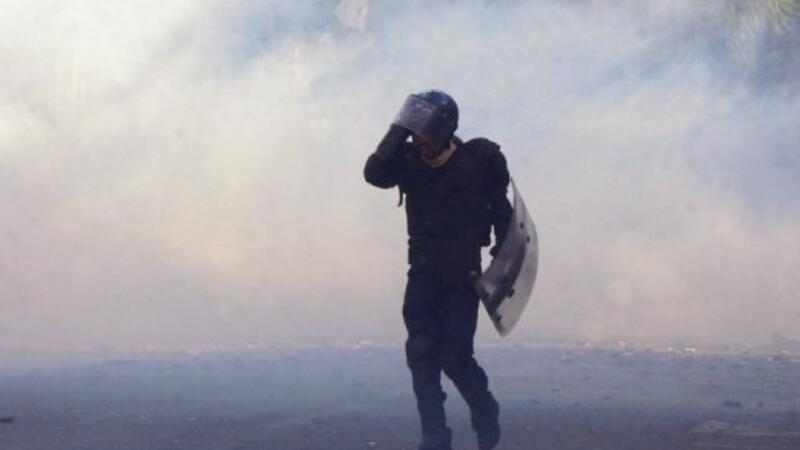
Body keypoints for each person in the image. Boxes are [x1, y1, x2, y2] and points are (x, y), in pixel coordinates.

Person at [363, 90, 512, 450]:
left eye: (427, 134)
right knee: (421, 353)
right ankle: (434, 435)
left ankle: (484, 409)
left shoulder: (477, 163)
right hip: (423, 273)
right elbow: (374, 174)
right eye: (416, 134)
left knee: (455, 358)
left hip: (462, 278)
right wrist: (399, 129)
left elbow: (503, 215)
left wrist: (502, 259)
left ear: (445, 132)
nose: (421, 142)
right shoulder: (408, 161)